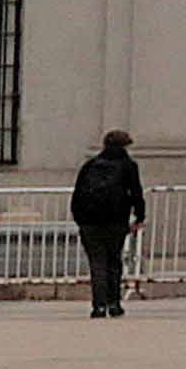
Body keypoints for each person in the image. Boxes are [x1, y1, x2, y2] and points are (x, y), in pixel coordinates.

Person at [70, 128, 146, 318]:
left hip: (89, 222)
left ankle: (98, 305)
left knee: (97, 263)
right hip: (116, 220)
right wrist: (139, 217)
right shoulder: (128, 166)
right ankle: (114, 303)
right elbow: (137, 193)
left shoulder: (90, 165)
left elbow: (77, 194)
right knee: (114, 261)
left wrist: (80, 219)